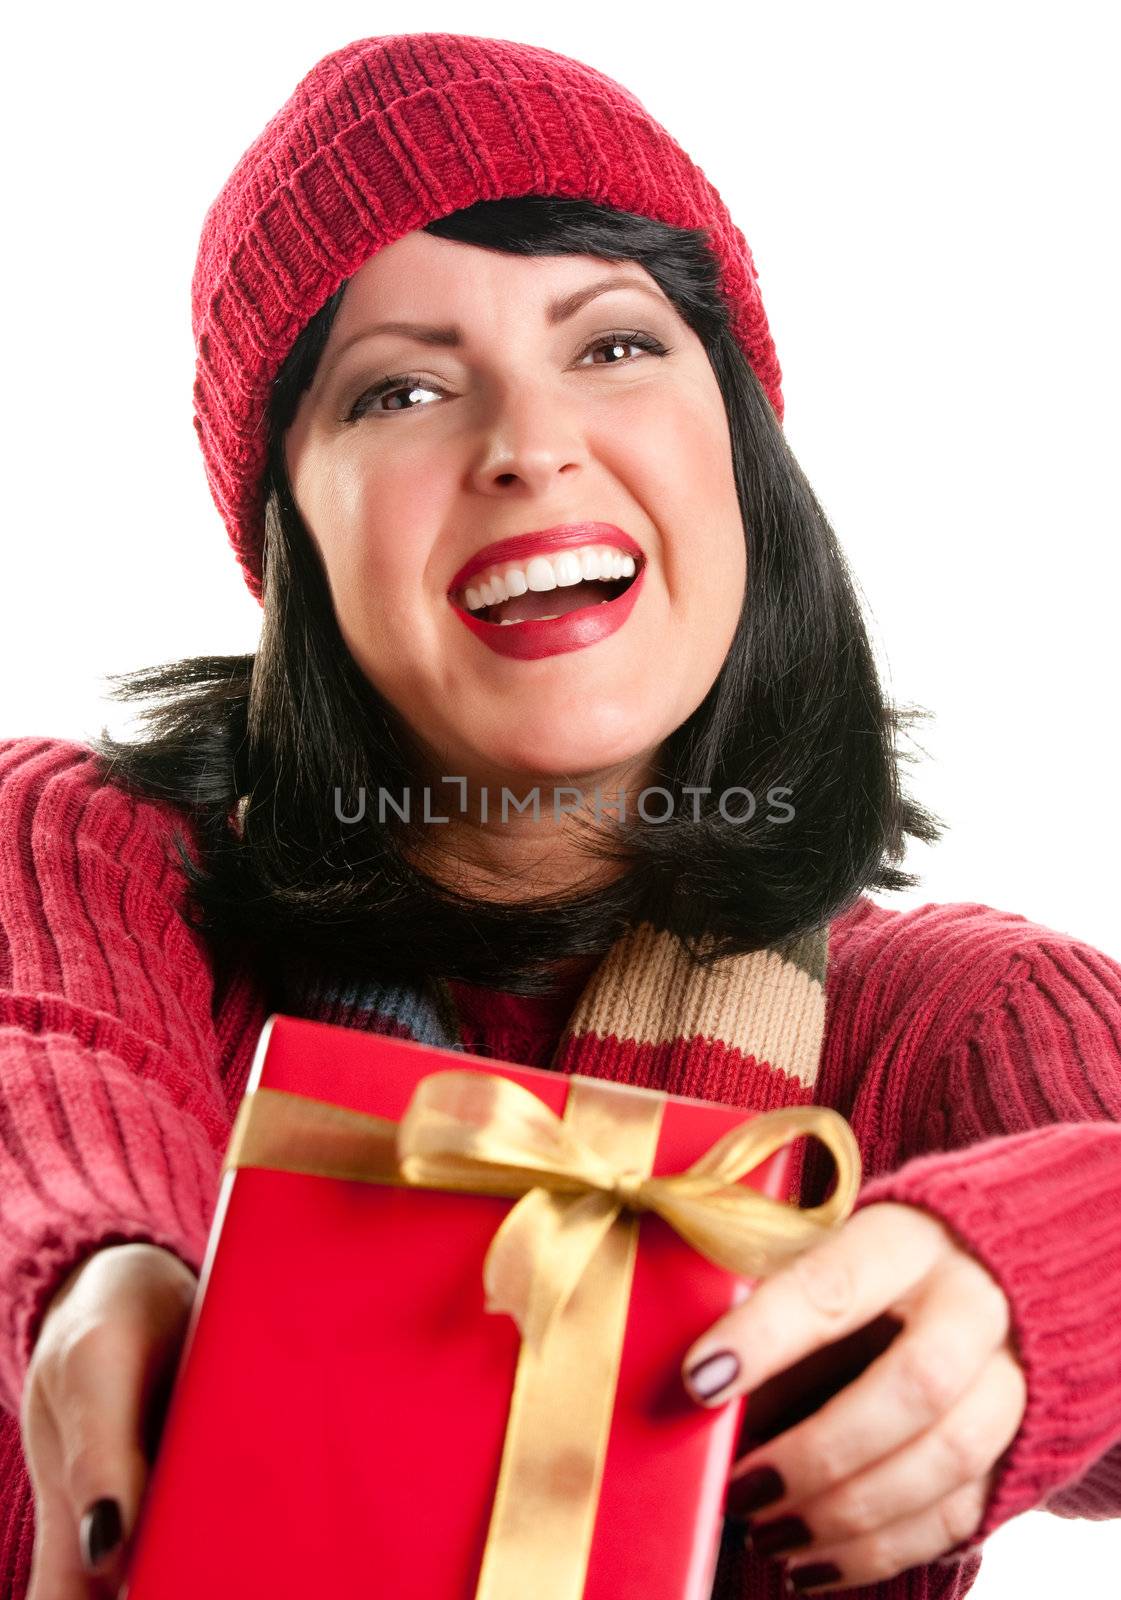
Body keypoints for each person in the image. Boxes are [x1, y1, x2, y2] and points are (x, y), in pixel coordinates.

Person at [0, 30, 1118, 1600]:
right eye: (398, 388)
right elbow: (47, 1056)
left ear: (738, 441)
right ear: (293, 537)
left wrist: (1060, 1275)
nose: (526, 446)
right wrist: (94, 1283)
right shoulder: (88, 859)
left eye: (611, 346)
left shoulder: (946, 1020)